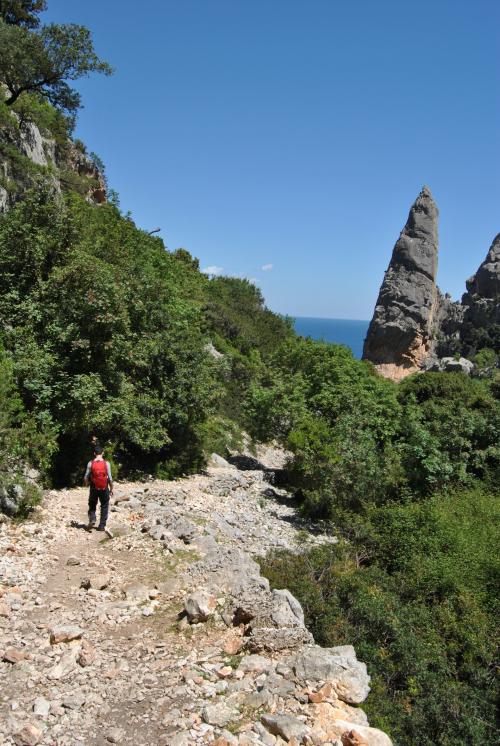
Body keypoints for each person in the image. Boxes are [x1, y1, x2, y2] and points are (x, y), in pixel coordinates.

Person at [84, 446, 113, 536]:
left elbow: (86, 477)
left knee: (92, 504)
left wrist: (87, 484)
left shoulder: (90, 463)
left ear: (94, 453)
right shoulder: (106, 463)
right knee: (104, 505)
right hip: (104, 488)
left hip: (94, 487)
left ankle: (92, 518)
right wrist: (111, 488)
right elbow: (110, 478)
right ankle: (101, 526)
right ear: (103, 453)